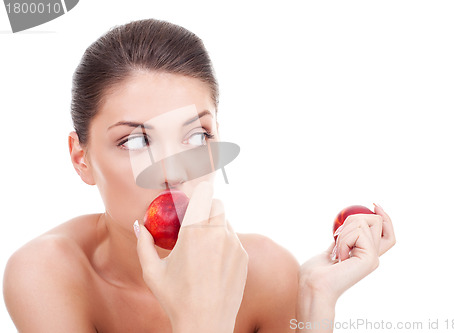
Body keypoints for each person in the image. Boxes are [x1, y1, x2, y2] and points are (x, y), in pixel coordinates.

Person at [3, 19, 395, 333]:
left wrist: (314, 301)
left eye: (196, 136)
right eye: (136, 141)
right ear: (80, 158)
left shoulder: (270, 276)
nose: (172, 171)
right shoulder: (47, 274)